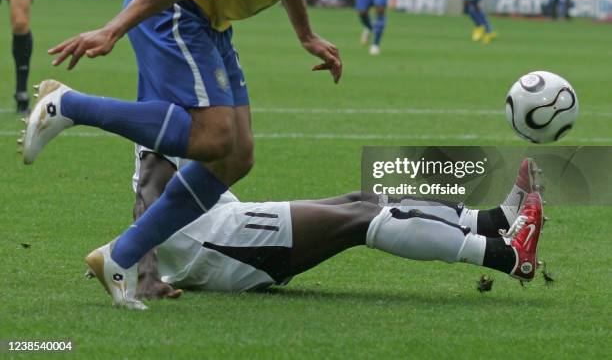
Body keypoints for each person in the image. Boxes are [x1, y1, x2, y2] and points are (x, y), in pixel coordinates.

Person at [21, 0, 423, 308]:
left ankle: (122, 255)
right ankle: (66, 104)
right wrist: (114, 29)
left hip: (211, 23)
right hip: (176, 9)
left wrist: (306, 35)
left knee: (236, 155)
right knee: (212, 137)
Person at [100, 156, 544, 306]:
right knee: (360, 222)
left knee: (363, 199)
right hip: (217, 245)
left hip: (221, 226)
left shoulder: (184, 84)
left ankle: (492, 223)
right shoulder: (170, 93)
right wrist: (145, 269)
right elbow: (151, 189)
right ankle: (507, 257)